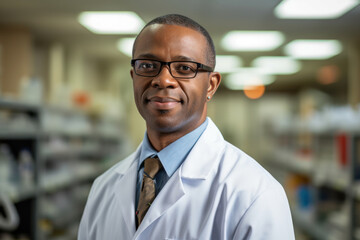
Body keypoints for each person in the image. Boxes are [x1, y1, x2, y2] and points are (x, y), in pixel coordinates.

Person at [78, 14, 295, 240]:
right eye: (148, 65)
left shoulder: (254, 194)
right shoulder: (103, 188)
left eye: (183, 67)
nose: (164, 80)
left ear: (211, 85)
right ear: (134, 77)